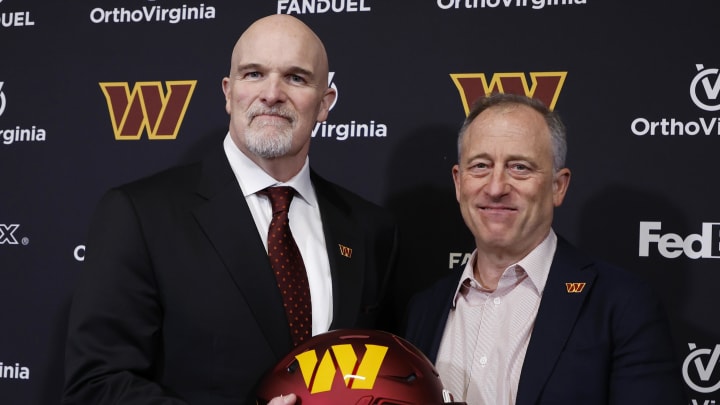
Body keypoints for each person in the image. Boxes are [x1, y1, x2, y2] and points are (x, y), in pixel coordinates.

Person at [62, 14, 398, 405]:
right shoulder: (140, 215)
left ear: (325, 103)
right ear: (228, 92)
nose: (271, 94)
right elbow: (97, 384)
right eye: (253, 74)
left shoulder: (370, 229)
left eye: (296, 78)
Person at [404, 93, 687, 404]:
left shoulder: (622, 306)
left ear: (558, 186)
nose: (496, 187)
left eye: (520, 168)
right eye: (481, 165)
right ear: (459, 183)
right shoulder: (422, 309)